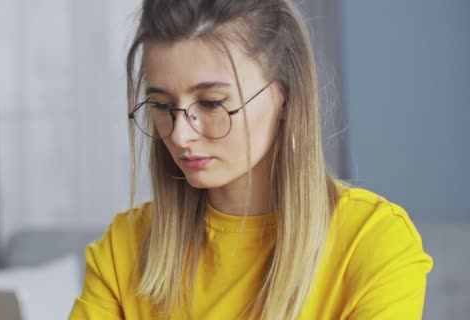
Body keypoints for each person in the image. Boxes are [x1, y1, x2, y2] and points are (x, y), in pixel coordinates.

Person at [69, 0, 433, 319]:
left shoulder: (372, 244)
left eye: (212, 103)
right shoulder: (122, 249)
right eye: (163, 106)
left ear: (285, 96)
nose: (180, 135)